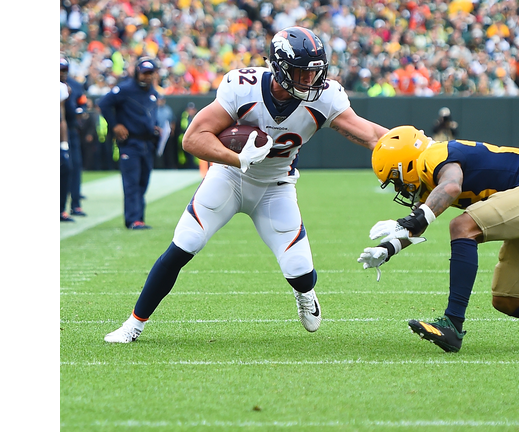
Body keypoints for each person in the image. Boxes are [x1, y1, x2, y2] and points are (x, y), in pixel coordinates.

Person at [104, 27, 390, 343]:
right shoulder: (244, 88)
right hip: (229, 177)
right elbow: (193, 138)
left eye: (314, 73)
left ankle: (305, 293)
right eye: (301, 73)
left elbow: (372, 135)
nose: (310, 82)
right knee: (185, 244)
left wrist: (414, 147)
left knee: (300, 270)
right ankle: (134, 324)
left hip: (275, 186)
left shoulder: (325, 97)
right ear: (280, 68)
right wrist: (235, 158)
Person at [357, 125, 519, 353]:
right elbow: (421, 221)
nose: (399, 188)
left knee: (462, 226)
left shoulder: (433, 155)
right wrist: (388, 248)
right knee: (507, 297)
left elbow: (450, 187)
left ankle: (452, 325)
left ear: (409, 162)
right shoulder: (431, 179)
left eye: (396, 179)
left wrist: (410, 221)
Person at [98, 57, 161, 230]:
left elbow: (148, 113)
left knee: (143, 182)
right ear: (137, 73)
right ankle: (133, 220)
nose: (147, 77)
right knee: (132, 182)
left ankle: (138, 217)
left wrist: (153, 126)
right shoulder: (125, 89)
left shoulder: (153, 92)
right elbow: (103, 104)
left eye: (150, 73)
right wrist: (115, 125)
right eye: (144, 73)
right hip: (130, 142)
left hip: (147, 143)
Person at [61, 57, 88, 218]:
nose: (62, 73)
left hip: (71, 129)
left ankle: (75, 204)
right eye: (60, 69)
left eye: (64, 69)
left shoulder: (75, 85)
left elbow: (82, 105)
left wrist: (80, 111)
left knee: (75, 167)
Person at [60, 67, 75, 223]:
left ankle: (60, 210)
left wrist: (63, 144)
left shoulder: (61, 88)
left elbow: (61, 118)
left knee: (66, 168)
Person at [154, 94, 176, 169]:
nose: (161, 101)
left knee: (168, 151)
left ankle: (169, 166)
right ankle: (156, 166)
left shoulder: (168, 109)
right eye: (159, 100)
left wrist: (172, 129)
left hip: (166, 133)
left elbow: (172, 120)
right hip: (156, 133)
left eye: (162, 100)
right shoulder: (154, 109)